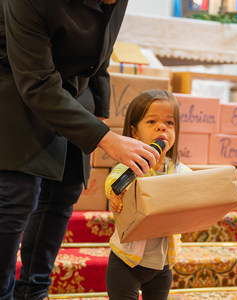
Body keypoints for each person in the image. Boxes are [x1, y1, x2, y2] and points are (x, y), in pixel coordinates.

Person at [0, 1, 160, 300]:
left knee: (66, 188)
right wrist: (107, 139)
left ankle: (33, 293)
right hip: (13, 80)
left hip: (72, 86)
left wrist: (98, 110)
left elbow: (101, 53)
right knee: (16, 195)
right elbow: (35, 81)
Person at [105, 89, 192, 300]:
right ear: (135, 133)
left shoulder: (180, 170)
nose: (162, 127)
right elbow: (114, 179)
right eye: (152, 122)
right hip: (126, 262)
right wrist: (115, 193)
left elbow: (196, 188)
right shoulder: (132, 166)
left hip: (162, 265)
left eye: (169, 123)